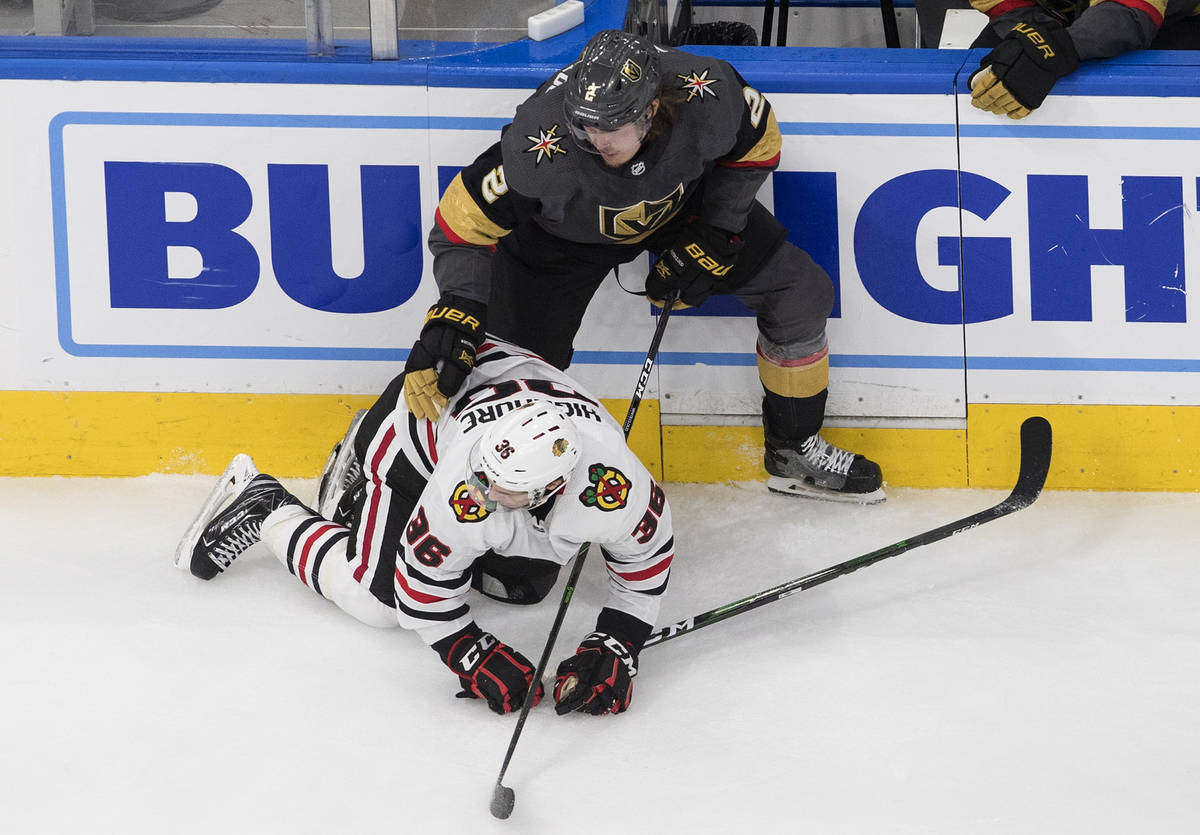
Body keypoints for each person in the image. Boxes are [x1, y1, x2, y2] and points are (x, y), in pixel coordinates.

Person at [403, 28, 885, 504]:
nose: (596, 141)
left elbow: (756, 147)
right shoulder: (540, 141)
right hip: (555, 245)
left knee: (801, 293)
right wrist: (458, 305)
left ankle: (792, 451)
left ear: (652, 109)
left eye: (611, 127)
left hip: (678, 209)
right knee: (502, 367)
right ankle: (474, 481)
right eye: (585, 125)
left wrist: (718, 231)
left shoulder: (707, 93)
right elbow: (459, 226)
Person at [174, 338, 674, 717]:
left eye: (503, 490)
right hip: (414, 429)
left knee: (524, 586)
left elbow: (646, 560)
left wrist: (619, 638)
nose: (483, 492)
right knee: (379, 602)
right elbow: (421, 593)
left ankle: (359, 498)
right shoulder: (466, 486)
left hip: (502, 384)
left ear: (550, 489)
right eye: (484, 477)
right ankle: (267, 506)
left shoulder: (618, 486)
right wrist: (469, 651)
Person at [967, 0, 1200, 119]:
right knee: (980, 75)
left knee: (1164, 97)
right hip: (1053, 15)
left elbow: (1130, 11)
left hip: (1173, 19)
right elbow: (1003, 5)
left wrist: (1054, 47)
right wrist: (1033, 40)